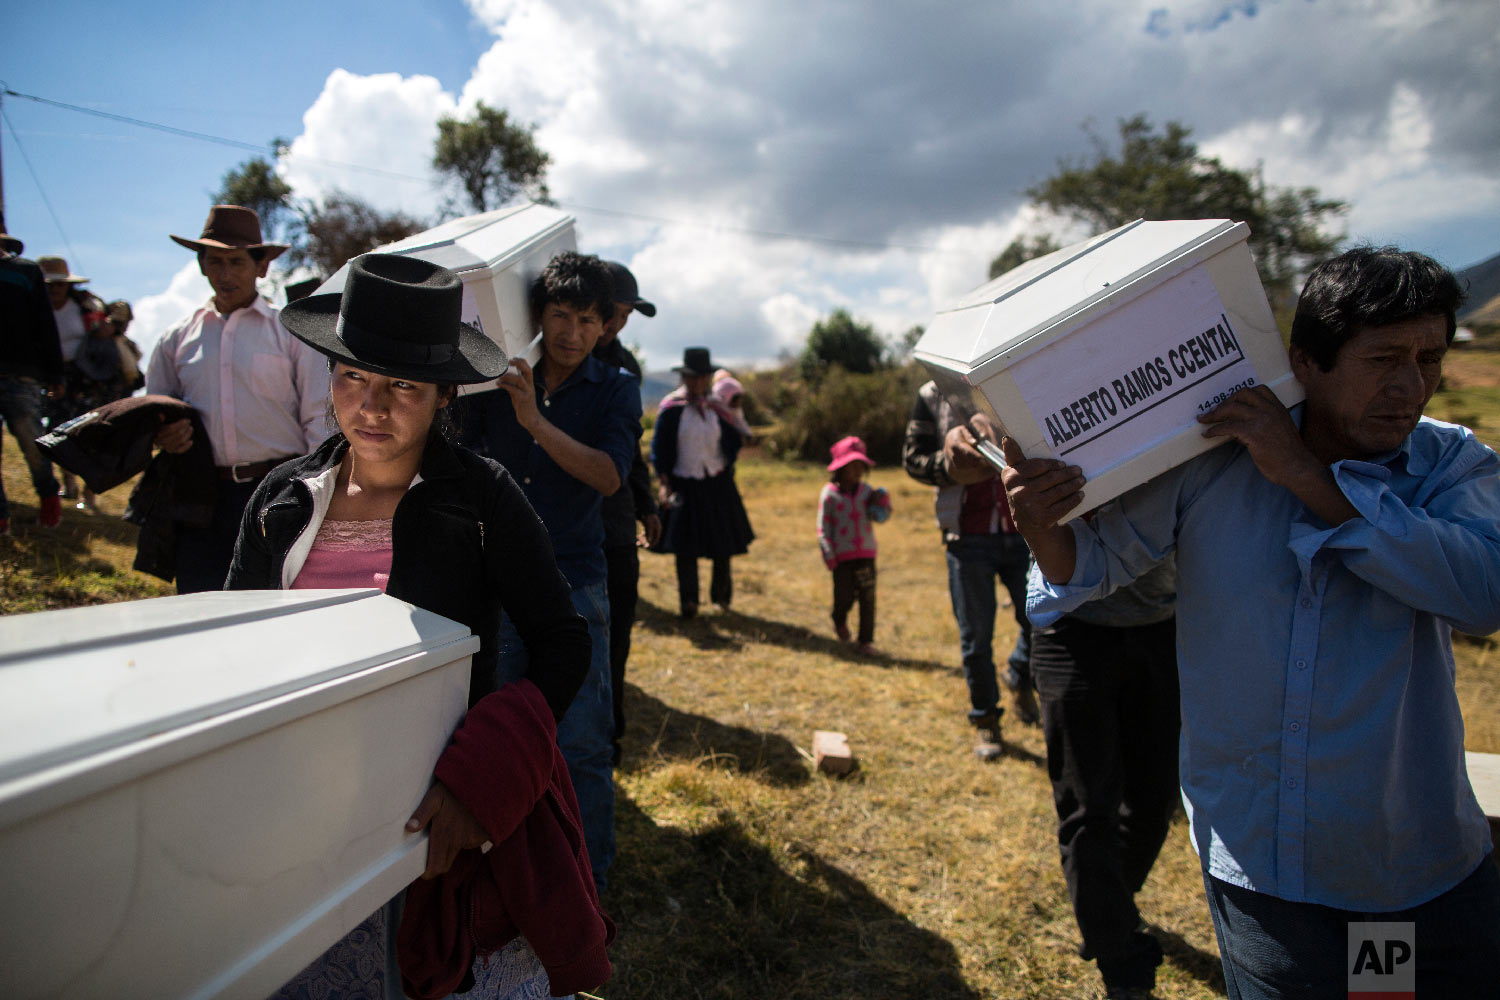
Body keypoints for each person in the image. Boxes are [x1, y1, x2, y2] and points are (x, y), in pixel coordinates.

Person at [1003, 246, 1500, 998]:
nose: (1411, 387)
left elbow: (1482, 593)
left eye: (1430, 358)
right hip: (1266, 872)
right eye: (1384, 358)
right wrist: (1039, 520)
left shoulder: (1449, 468)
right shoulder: (1214, 456)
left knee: (1384, 997)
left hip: (1401, 871)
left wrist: (1305, 477)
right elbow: (1087, 566)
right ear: (1306, 361)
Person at [227, 253, 609, 999]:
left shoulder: (480, 500)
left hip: (428, 825)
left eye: (401, 384)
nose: (371, 406)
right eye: (351, 377)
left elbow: (564, 643)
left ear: (442, 395)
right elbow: (232, 645)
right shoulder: (284, 499)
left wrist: (482, 782)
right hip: (293, 819)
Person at [462, 250, 643, 892]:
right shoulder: (494, 380)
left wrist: (533, 422)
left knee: (584, 739)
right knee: (497, 729)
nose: (570, 333)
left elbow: (609, 473)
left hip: (575, 583)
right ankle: (503, 871)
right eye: (560, 315)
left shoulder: (617, 389)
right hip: (498, 583)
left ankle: (587, 878)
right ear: (538, 315)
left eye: (587, 319)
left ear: (606, 326)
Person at [146, 205, 330, 593]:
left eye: (236, 262)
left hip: (278, 491)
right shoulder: (176, 340)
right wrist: (163, 434)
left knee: (275, 608)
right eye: (215, 261)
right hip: (201, 500)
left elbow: (318, 418)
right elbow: (154, 412)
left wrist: (317, 499)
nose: (225, 274)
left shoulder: (291, 334)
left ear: (261, 268)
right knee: (202, 607)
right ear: (201, 265)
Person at [1030, 561, 1180, 1000]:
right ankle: (1123, 969)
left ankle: (1107, 910)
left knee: (1156, 800)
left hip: (1162, 625)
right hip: (1070, 627)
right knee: (1089, 808)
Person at [903, 380, 1038, 761]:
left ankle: (1019, 673)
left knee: (1040, 622)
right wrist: (950, 466)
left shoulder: (1012, 373)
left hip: (1027, 528)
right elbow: (913, 458)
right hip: (967, 535)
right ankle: (986, 721)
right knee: (976, 638)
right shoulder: (931, 393)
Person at [593, 260, 661, 766]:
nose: (618, 324)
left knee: (617, 631)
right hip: (561, 525)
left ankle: (608, 733)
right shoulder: (545, 360)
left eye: (625, 315)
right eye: (612, 312)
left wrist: (647, 503)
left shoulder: (625, 370)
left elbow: (631, 447)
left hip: (613, 521)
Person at [650, 346, 755, 617]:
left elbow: (735, 438)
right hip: (685, 483)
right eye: (692, 377)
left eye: (702, 377)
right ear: (684, 378)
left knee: (723, 543)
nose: (697, 382)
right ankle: (689, 602)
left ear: (709, 378)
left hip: (717, 484)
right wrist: (664, 482)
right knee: (686, 546)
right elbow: (660, 449)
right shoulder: (672, 409)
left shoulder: (717, 408)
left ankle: (721, 598)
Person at [38, 254, 113, 511]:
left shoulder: (83, 307)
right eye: (49, 285)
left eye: (59, 284)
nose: (55, 290)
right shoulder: (34, 307)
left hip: (84, 378)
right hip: (51, 376)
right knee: (58, 432)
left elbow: (104, 335)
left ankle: (89, 492)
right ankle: (69, 485)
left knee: (88, 435)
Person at [0, 239, 64, 532]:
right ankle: (1, 516)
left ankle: (49, 495)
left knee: (31, 438)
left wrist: (54, 373)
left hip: (21, 373)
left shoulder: (26, 272)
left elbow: (44, 323)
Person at [817, 435, 891, 655]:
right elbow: (823, 527)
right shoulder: (829, 494)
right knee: (844, 596)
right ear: (840, 468)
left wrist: (883, 504)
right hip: (841, 557)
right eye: (853, 465)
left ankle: (865, 641)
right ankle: (839, 618)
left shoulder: (868, 492)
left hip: (866, 553)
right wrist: (828, 553)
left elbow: (880, 517)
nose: (858, 470)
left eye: (862, 466)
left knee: (868, 598)